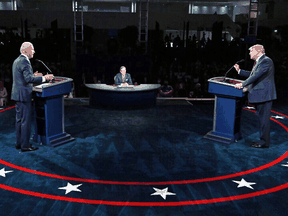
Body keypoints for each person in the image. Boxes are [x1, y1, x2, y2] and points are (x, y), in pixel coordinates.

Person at [11, 42, 54, 152]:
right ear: (25, 51)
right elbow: (28, 79)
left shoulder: (16, 60)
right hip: (24, 95)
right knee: (25, 121)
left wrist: (33, 75)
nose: (34, 51)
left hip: (17, 94)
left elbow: (22, 77)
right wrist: (45, 78)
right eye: (32, 49)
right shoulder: (25, 61)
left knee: (19, 120)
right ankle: (25, 146)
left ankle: (19, 143)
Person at [234, 44, 277, 148]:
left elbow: (256, 76)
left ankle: (264, 142)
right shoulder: (259, 62)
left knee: (264, 121)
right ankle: (263, 140)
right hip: (261, 95)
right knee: (262, 120)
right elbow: (253, 74)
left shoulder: (266, 61)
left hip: (264, 96)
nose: (249, 53)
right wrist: (240, 71)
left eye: (251, 51)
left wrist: (242, 84)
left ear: (258, 51)